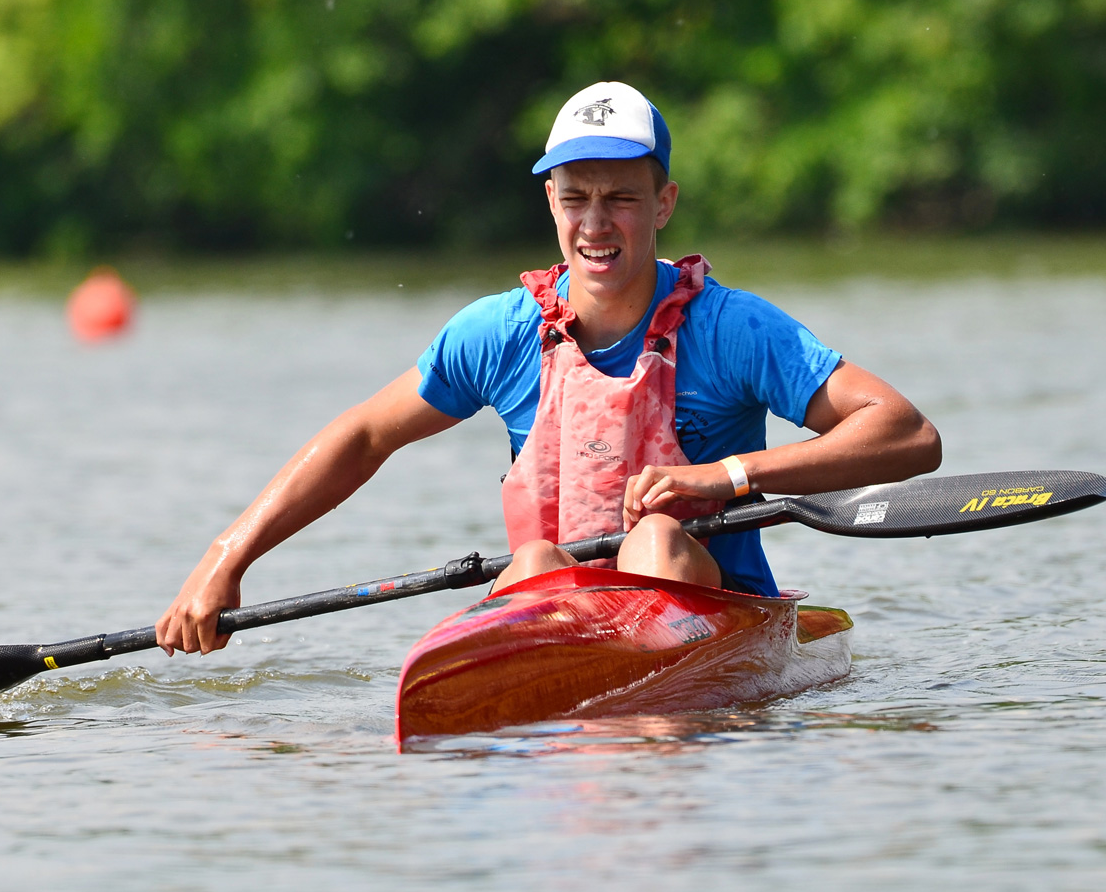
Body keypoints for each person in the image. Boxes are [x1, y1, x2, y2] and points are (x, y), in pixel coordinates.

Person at [156, 81, 942, 656]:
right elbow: (362, 437)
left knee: (657, 543)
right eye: (576, 198)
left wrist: (730, 476)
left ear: (664, 204)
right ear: (551, 203)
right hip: (565, 618)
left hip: (712, 615)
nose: (596, 225)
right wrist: (226, 558)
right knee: (534, 560)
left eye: (621, 199)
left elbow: (906, 435)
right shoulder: (500, 332)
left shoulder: (733, 329)